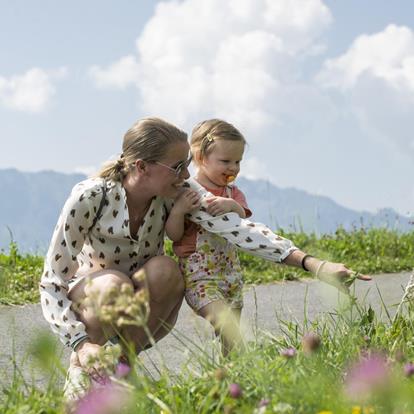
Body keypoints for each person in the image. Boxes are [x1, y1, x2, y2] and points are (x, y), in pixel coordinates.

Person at [39, 117, 370, 399]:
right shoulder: (92, 196)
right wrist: (80, 343)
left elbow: (240, 230)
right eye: (178, 166)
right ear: (142, 167)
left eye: (187, 165)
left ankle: (123, 368)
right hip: (95, 293)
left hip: (137, 296)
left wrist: (313, 264)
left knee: (167, 270)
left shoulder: (176, 195)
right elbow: (52, 280)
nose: (186, 174)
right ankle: (84, 369)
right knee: (114, 282)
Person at [165, 119, 252, 353]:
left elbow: (243, 217)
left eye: (238, 161)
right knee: (227, 326)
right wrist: (179, 211)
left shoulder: (232, 193)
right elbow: (173, 235)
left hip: (230, 272)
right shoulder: (185, 191)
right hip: (200, 276)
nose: (233, 167)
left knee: (230, 338)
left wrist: (231, 205)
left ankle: (234, 377)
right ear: (201, 158)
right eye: (225, 161)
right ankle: (245, 363)